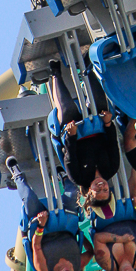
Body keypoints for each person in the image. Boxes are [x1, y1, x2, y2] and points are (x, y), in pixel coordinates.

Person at [6, 157, 93, 271]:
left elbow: (35, 246)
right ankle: (63, 176)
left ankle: (16, 174)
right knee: (73, 193)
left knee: (30, 200)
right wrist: (81, 234)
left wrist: (41, 224)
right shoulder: (77, 265)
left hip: (42, 230)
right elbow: (91, 252)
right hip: (66, 226)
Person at [49, 59, 120, 189]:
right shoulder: (112, 169)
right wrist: (108, 123)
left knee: (67, 111)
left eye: (98, 191)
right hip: (98, 128)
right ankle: (85, 65)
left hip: (76, 135)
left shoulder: (79, 178)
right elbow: (112, 143)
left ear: (89, 193)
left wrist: (71, 136)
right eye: (105, 190)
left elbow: (69, 157)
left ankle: (55, 73)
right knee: (99, 103)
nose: (101, 186)